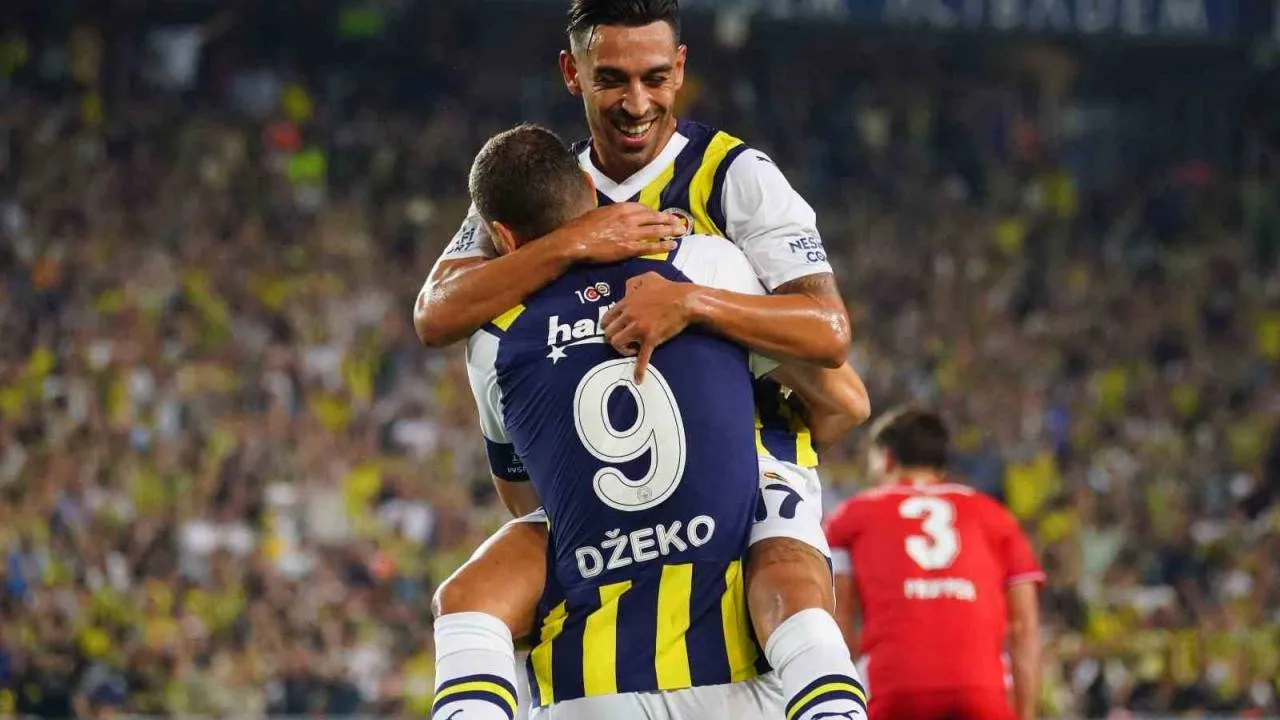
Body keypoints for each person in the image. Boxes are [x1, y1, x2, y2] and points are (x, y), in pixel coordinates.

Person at [419, 1, 868, 719]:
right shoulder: (544, 184)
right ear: (572, 73)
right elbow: (435, 311)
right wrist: (576, 241)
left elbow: (830, 334)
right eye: (612, 79)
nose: (636, 103)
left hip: (746, 463)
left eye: (655, 78)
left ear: (680, 69)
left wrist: (693, 306)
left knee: (780, 563)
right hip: (603, 487)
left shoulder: (734, 175)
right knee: (476, 590)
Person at [823, 408, 1044, 720]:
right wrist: (1026, 713)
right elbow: (1024, 628)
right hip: (982, 691)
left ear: (886, 459)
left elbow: (836, 618)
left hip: (893, 690)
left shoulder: (849, 518)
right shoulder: (997, 517)